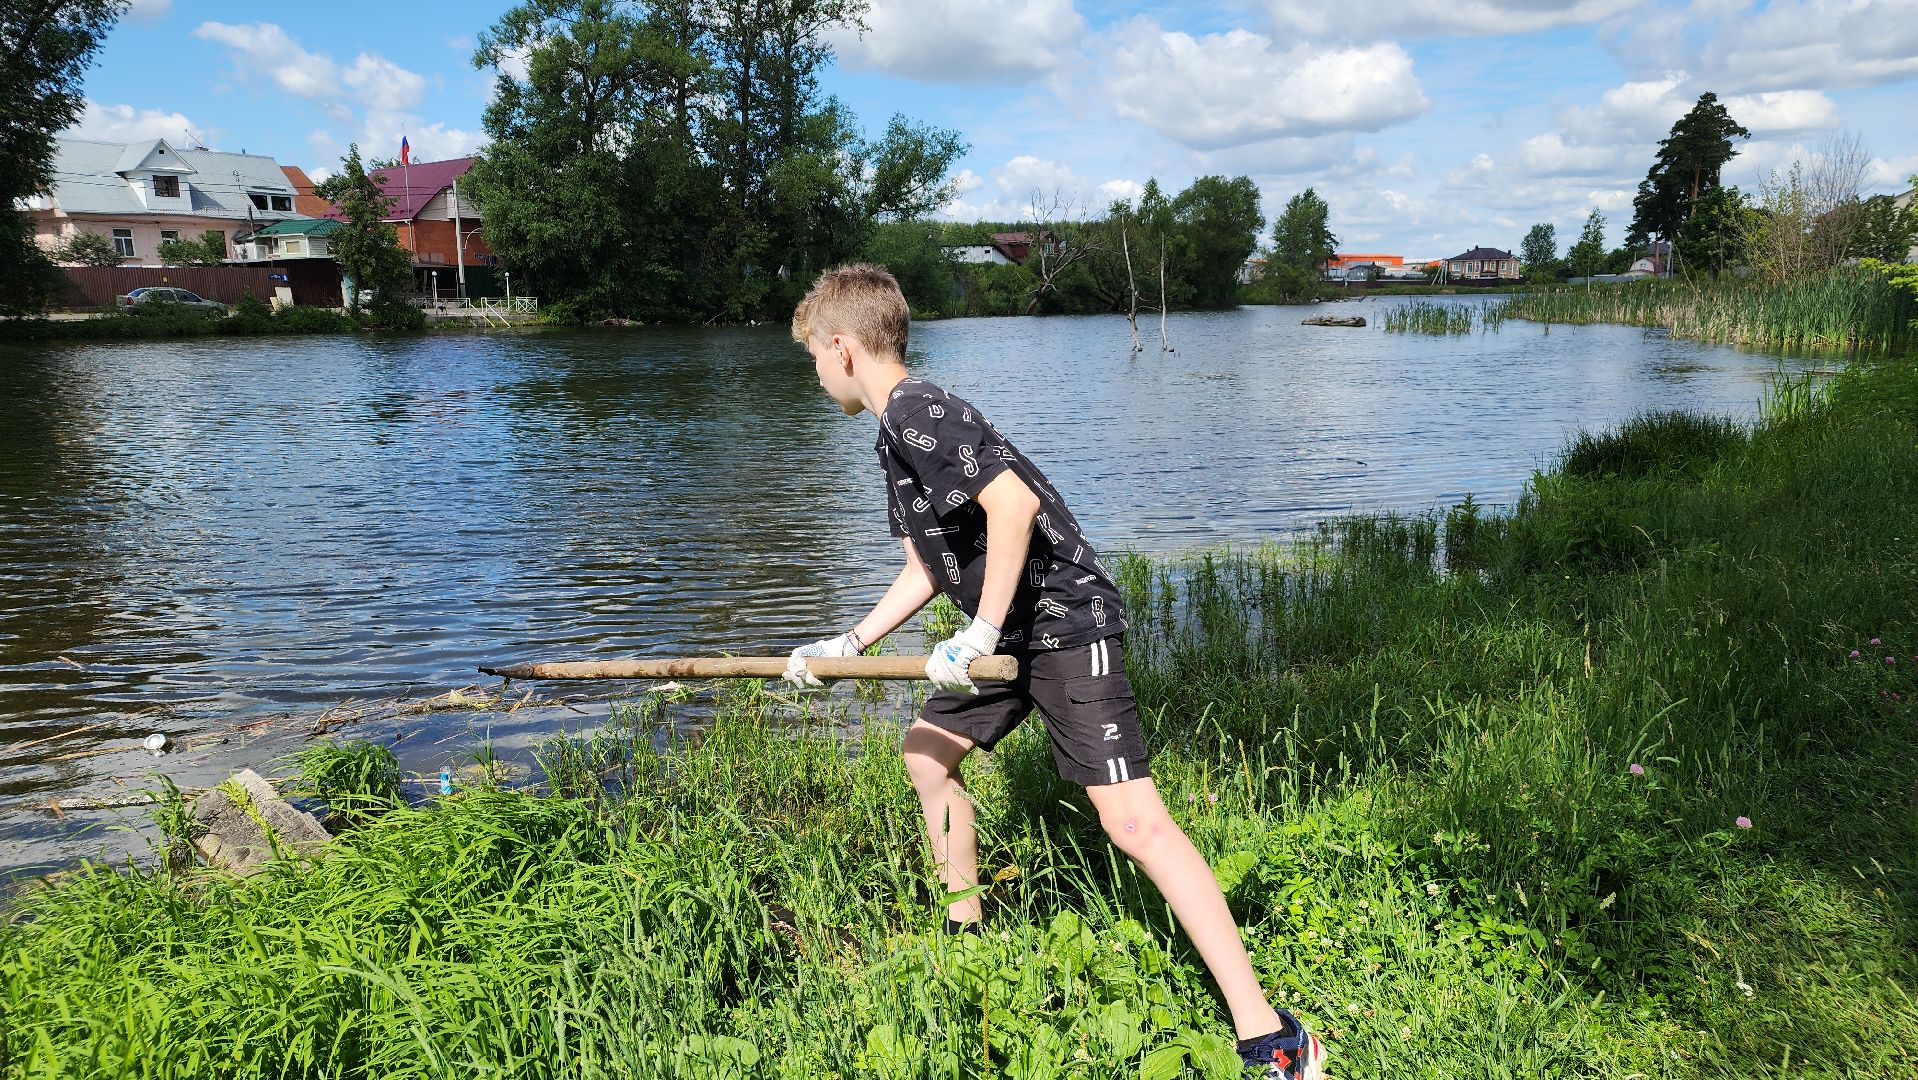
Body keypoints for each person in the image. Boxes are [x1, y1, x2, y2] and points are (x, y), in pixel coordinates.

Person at [781, 264, 1325, 1079]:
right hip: (1004, 628)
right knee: (926, 755)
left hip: (1064, 622)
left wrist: (979, 630)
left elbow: (1015, 505)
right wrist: (848, 644)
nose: (817, 377)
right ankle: (966, 936)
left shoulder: (920, 409)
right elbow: (924, 568)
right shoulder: (893, 435)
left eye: (814, 361)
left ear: (842, 347)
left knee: (1133, 824)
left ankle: (1273, 1035)